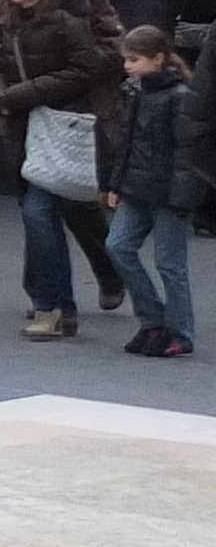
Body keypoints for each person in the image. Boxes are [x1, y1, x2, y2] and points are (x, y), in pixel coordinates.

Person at [0, 0, 118, 339]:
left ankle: (55, 306)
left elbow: (89, 67)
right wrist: (0, 90)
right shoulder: (7, 17)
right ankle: (59, 305)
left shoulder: (68, 18)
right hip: (25, 126)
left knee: (44, 213)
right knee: (46, 213)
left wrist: (25, 93)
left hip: (61, 126)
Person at [103, 25, 200, 358]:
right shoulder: (137, 92)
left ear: (158, 59)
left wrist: (181, 197)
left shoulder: (180, 97)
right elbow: (126, 143)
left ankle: (179, 331)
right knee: (117, 247)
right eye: (127, 59)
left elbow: (187, 153)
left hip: (168, 192)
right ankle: (153, 319)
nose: (128, 66)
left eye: (134, 59)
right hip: (137, 187)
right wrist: (116, 184)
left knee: (170, 264)